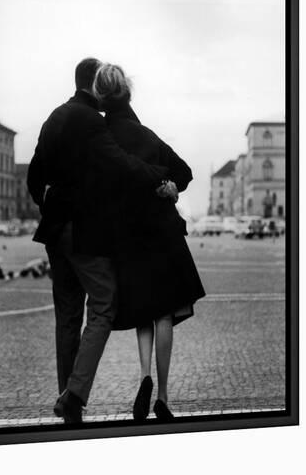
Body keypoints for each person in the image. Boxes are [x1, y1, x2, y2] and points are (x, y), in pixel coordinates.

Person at [27, 58, 174, 423]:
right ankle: (75, 394)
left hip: (53, 229)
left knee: (67, 316)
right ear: (95, 83)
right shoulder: (92, 121)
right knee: (104, 305)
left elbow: (34, 176)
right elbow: (120, 163)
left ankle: (68, 401)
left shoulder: (54, 117)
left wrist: (48, 205)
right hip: (82, 230)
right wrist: (158, 174)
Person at [92, 63, 206, 422]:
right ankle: (165, 396)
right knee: (164, 313)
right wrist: (171, 186)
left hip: (127, 236)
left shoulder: (101, 136)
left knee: (143, 309)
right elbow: (184, 171)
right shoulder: (145, 135)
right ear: (128, 92)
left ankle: (143, 377)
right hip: (162, 232)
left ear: (99, 95)